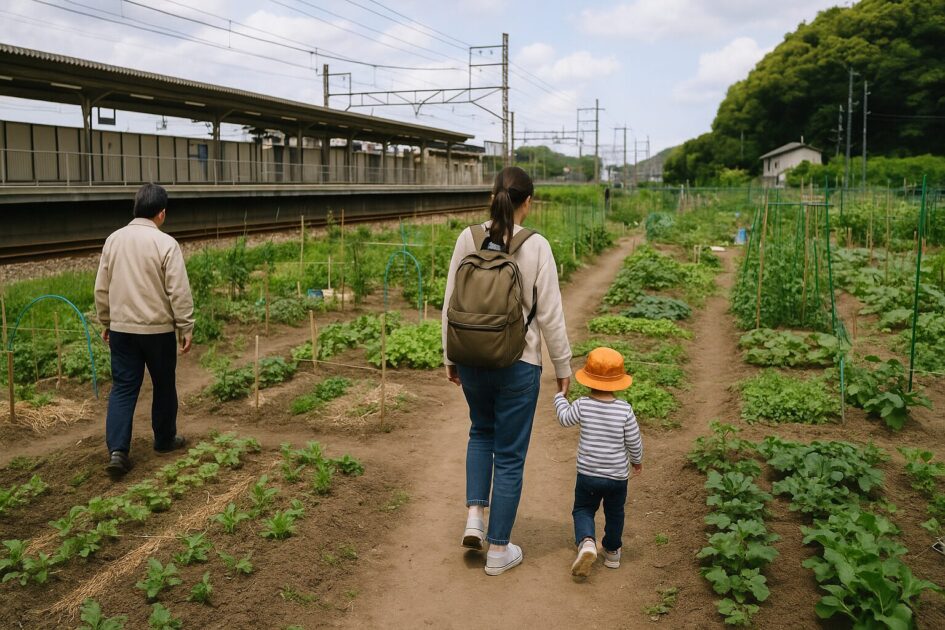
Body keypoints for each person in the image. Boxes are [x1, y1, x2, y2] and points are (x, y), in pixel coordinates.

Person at [442, 166, 572, 576]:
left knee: (480, 432)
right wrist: (563, 366)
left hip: (472, 357)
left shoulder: (468, 237)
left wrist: (450, 356)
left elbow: (450, 302)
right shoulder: (538, 246)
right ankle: (498, 552)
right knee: (511, 457)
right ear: (527, 202)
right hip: (518, 363)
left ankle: (474, 520)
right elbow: (550, 315)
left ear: (492, 196)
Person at [94, 183, 194, 478]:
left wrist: (106, 321)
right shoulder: (165, 244)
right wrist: (185, 325)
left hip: (123, 330)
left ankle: (118, 452)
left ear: (136, 208)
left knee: (123, 387)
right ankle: (164, 440)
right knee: (163, 384)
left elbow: (102, 287)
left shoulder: (113, 240)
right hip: (158, 330)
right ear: (161, 213)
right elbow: (178, 290)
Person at [553, 346, 643, 577]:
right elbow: (634, 440)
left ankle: (587, 542)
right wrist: (637, 461)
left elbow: (564, 419)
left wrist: (560, 397)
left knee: (583, 509)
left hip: (588, 474)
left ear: (587, 379)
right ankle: (612, 552)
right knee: (615, 513)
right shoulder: (625, 410)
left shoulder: (583, 405)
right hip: (616, 477)